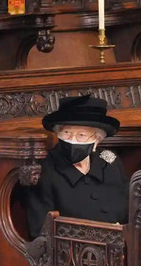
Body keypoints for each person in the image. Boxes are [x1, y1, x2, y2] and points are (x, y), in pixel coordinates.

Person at [25, 95, 129, 238]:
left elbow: (129, 214)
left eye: (81, 135)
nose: (72, 140)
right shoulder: (44, 170)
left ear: (96, 140)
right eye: (66, 133)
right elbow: (41, 234)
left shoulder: (111, 163)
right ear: (58, 133)